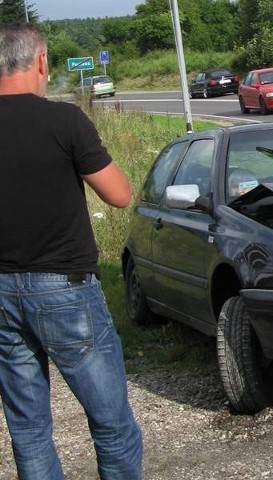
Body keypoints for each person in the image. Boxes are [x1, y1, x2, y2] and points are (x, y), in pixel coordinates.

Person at [0, 24, 143, 479]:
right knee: (112, 425)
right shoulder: (65, 121)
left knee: (28, 430)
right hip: (64, 290)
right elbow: (119, 195)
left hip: (0, 294)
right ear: (40, 62)